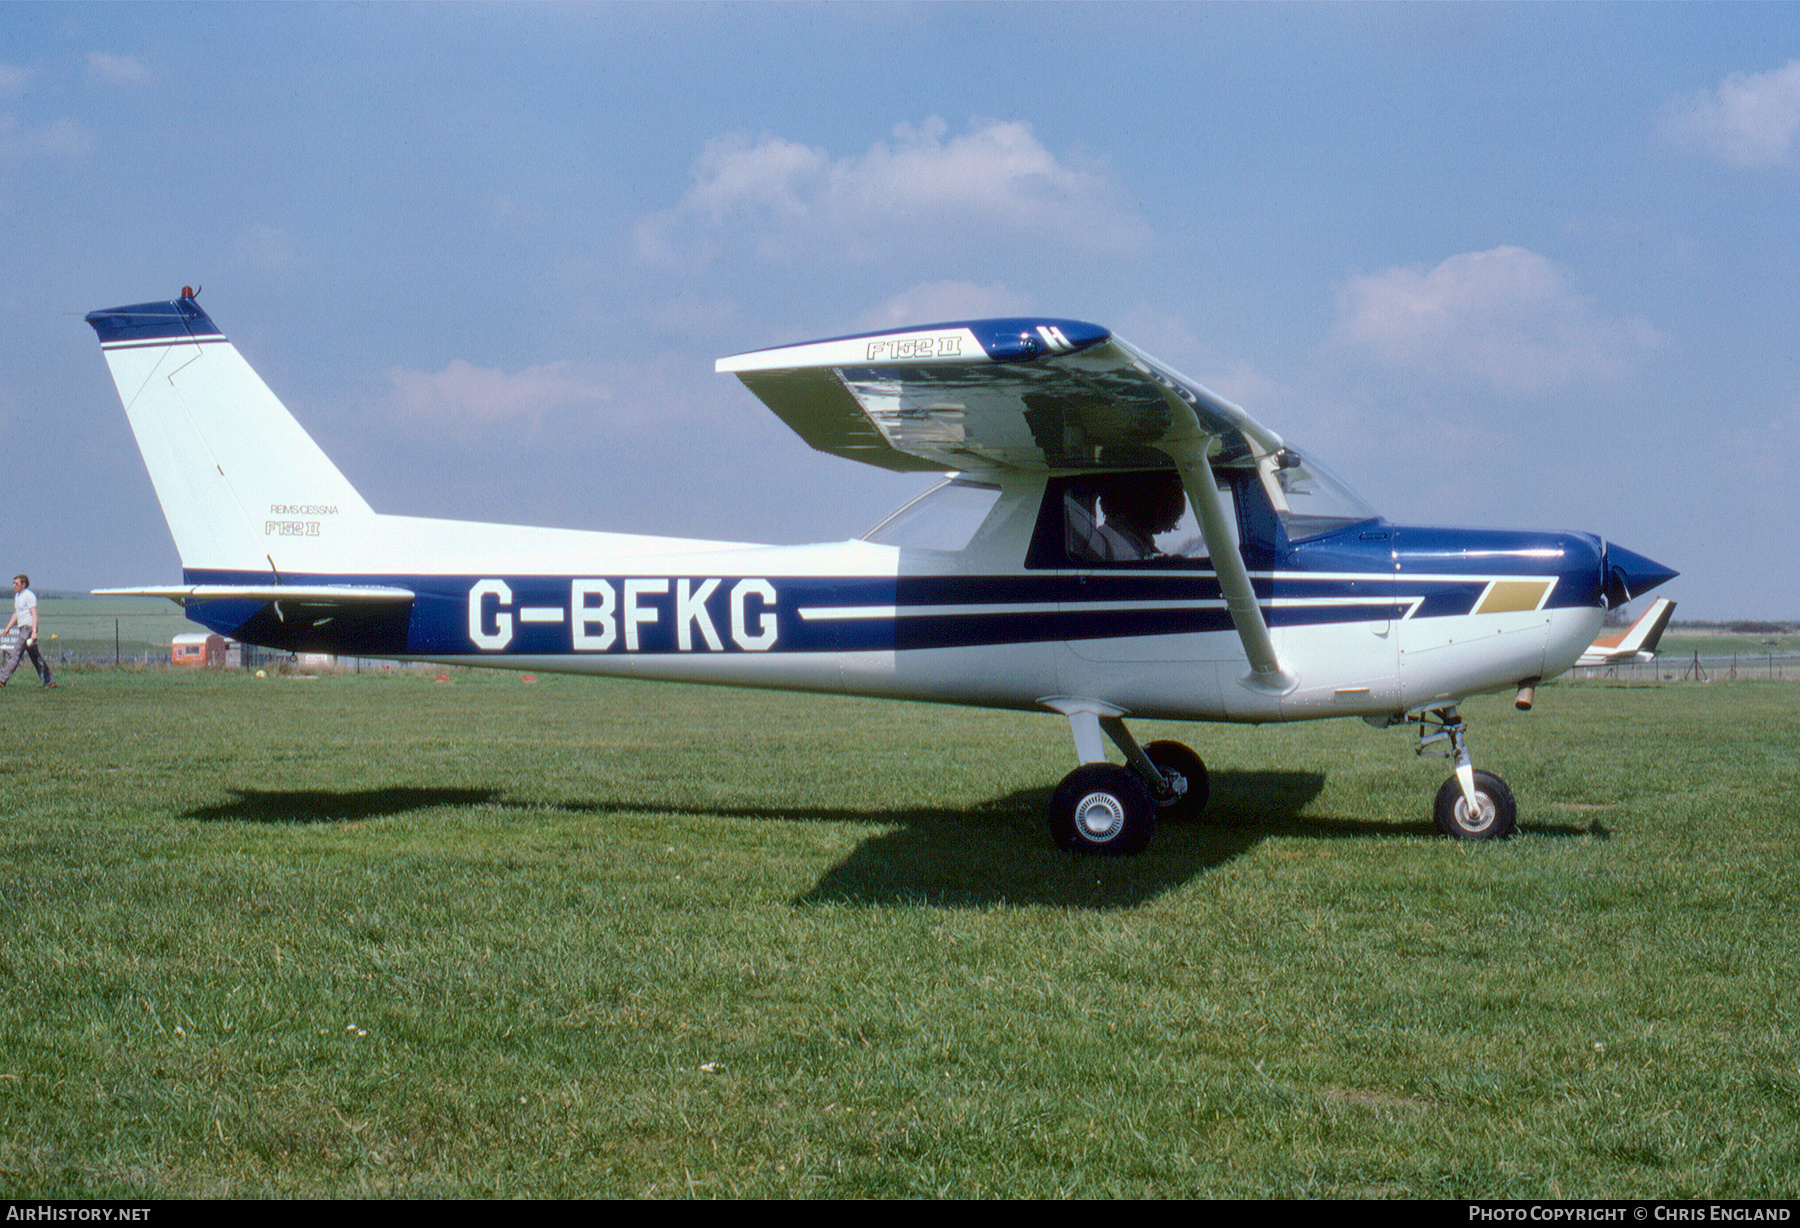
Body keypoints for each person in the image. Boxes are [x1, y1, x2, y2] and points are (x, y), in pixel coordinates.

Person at [0, 573, 55, 688]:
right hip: (22, 628)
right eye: (13, 583)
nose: (14, 585)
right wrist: (8, 628)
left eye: (16, 583)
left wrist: (34, 631)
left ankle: (2, 679)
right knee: (35, 657)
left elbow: (34, 614)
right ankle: (49, 681)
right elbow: (16, 614)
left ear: (23, 584)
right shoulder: (18, 597)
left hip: (28, 628)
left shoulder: (29, 596)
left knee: (16, 653)